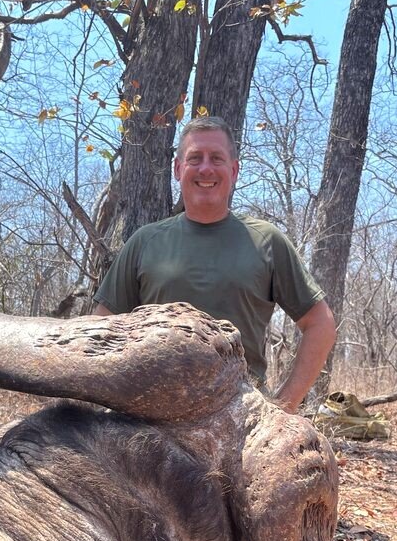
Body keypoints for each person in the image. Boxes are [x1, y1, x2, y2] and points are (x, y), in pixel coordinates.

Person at [93, 116, 336, 413]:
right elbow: (100, 328)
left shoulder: (266, 241)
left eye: (217, 158)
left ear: (233, 170)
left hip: (243, 419)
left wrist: (282, 408)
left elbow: (321, 324)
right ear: (178, 169)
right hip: (149, 420)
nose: (206, 168)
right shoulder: (144, 242)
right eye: (195, 158)